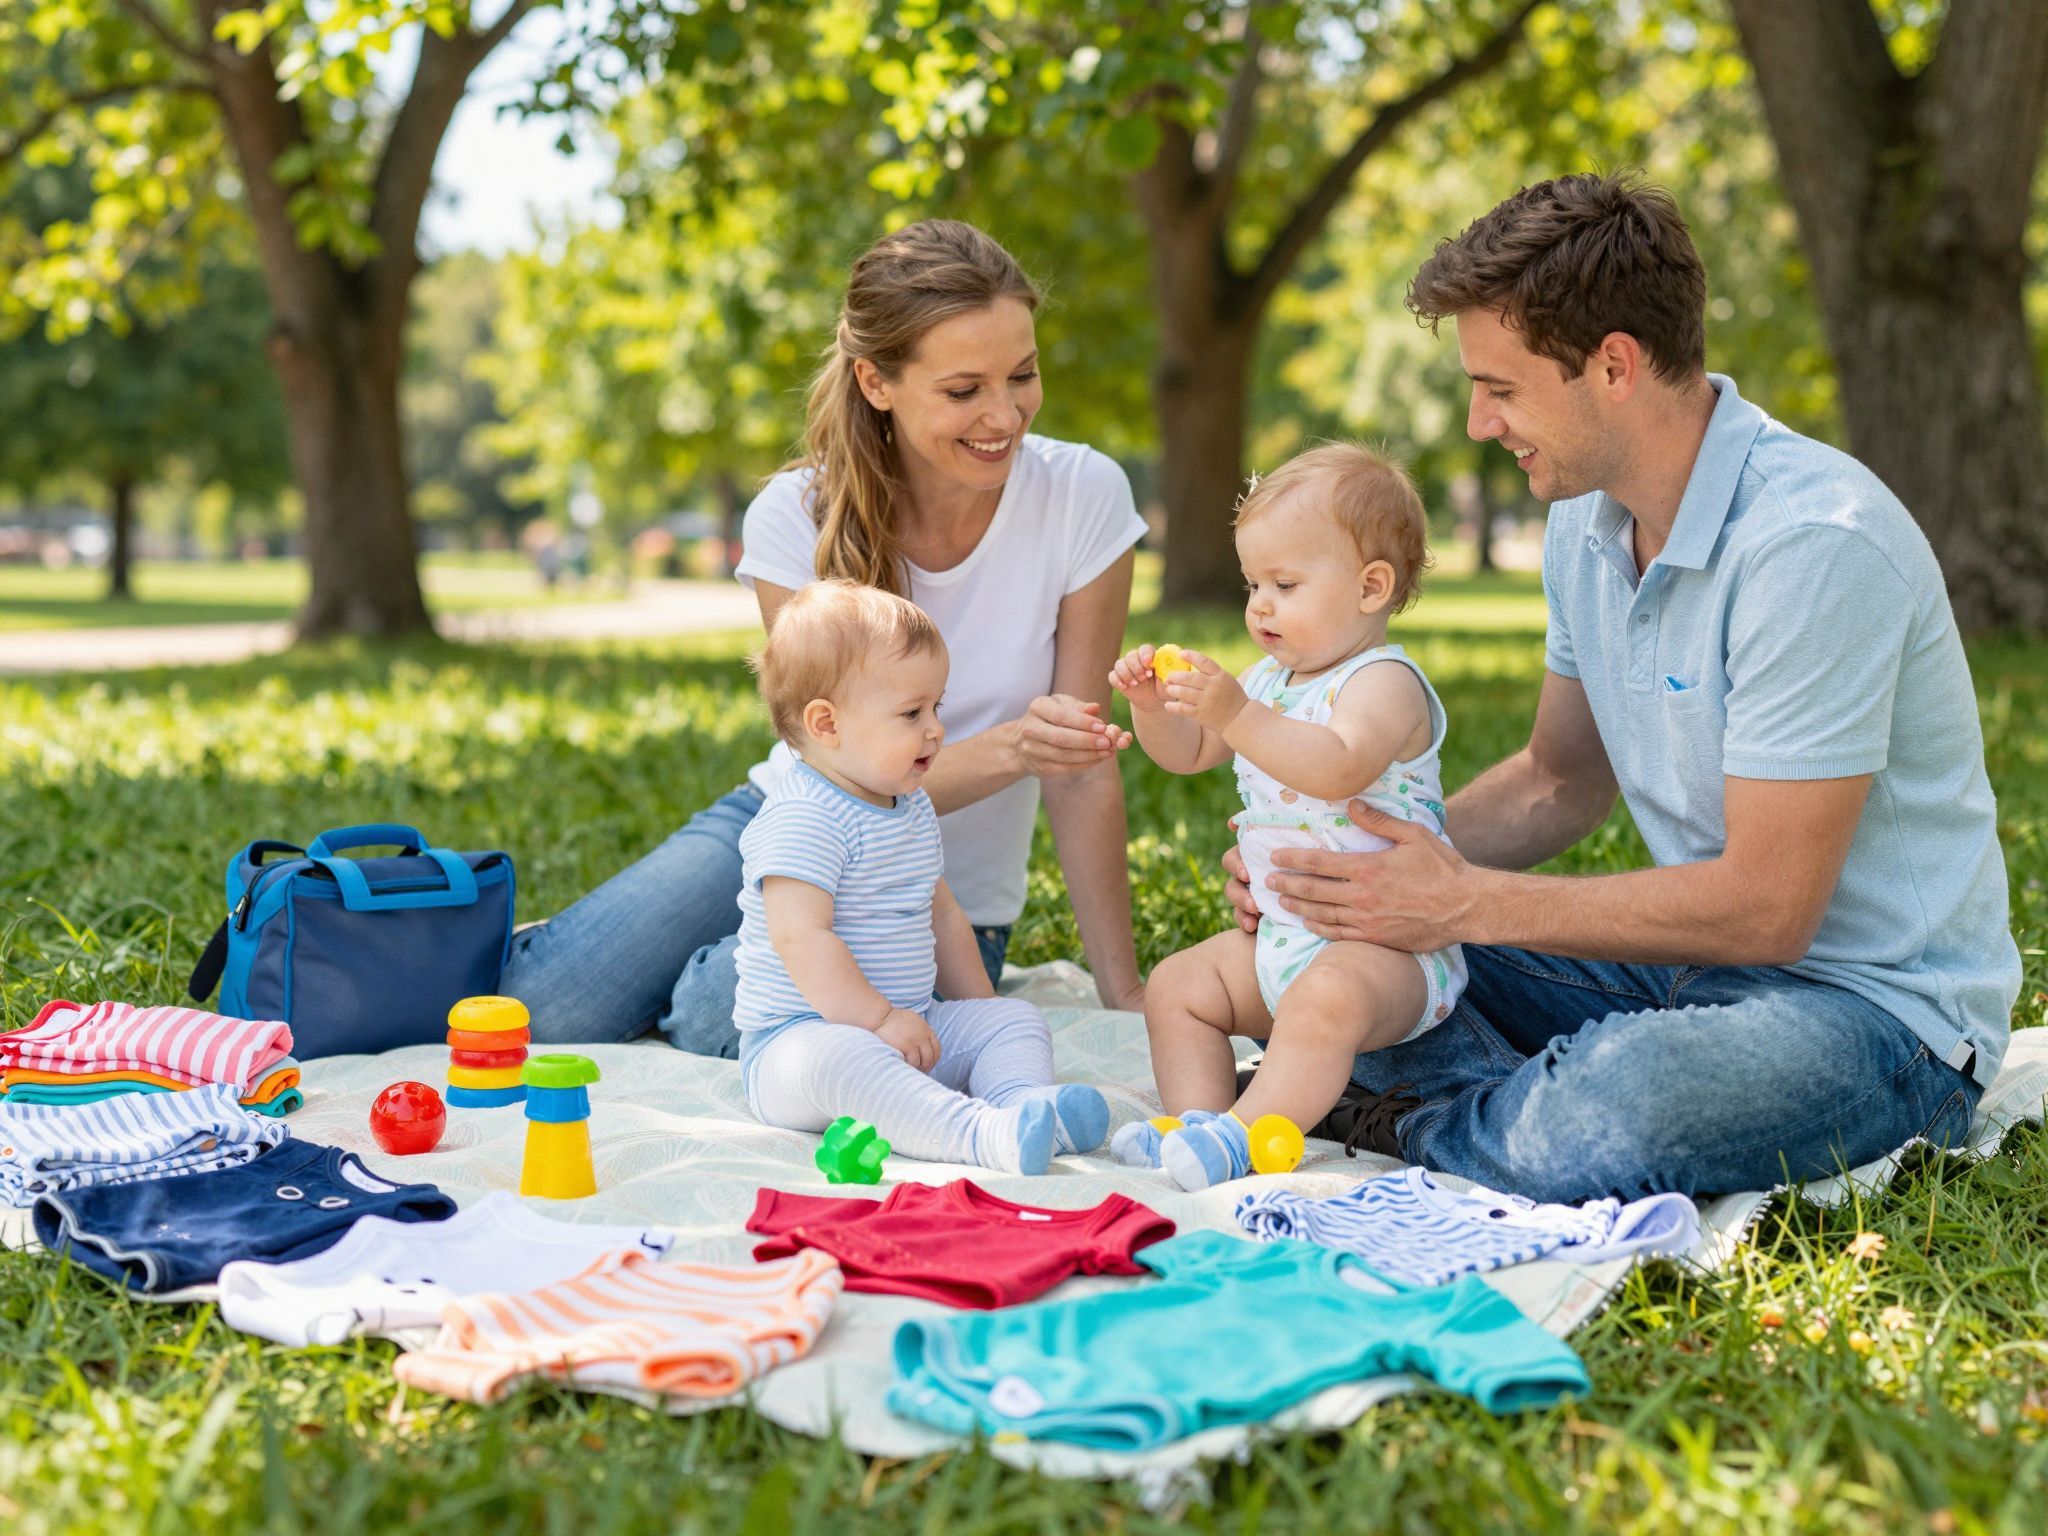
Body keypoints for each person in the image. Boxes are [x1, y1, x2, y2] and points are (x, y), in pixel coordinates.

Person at [1230, 172, 2020, 1202]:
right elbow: (1556, 782)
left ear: (1612, 365)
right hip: (1679, 973)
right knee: (1338, 972)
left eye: (1500, 388)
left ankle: (1412, 1114)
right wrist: (1340, 872)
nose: (1476, 424)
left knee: (1620, 1105)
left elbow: (1766, 912)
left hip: (1872, 1015)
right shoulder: (1582, 519)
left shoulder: (1812, 545)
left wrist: (1461, 901)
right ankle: (1475, 1110)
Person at [501, 219, 1148, 1048]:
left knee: (711, 1008)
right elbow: (839, 775)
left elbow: (1081, 768)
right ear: (877, 382)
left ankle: (709, 967)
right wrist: (1015, 748)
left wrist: (1121, 987)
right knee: (548, 1008)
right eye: (963, 390)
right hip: (791, 822)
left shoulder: (1082, 495)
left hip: (926, 897)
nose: (1005, 415)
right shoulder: (794, 515)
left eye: (1022, 375)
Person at [1104, 445, 1465, 1191]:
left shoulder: (1384, 683)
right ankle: (1197, 1125)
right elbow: (1190, 751)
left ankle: (1249, 1134)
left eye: (1285, 584)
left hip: (1387, 952)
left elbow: (1338, 763)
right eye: (1253, 584)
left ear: (1372, 587)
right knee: (1178, 986)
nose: (1259, 604)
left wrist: (1237, 711)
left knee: (1324, 1001)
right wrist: (1155, 710)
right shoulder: (1268, 679)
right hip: (1284, 935)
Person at [734, 580, 1109, 1173]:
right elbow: (801, 938)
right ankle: (981, 1136)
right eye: (911, 713)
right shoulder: (803, 815)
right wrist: (877, 1020)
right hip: (801, 1042)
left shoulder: (907, 806)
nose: (935, 728)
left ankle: (1023, 1107)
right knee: (845, 1061)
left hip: (909, 1021)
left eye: (937, 706)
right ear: (826, 724)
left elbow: (942, 916)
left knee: (1013, 1018)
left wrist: (977, 1021)